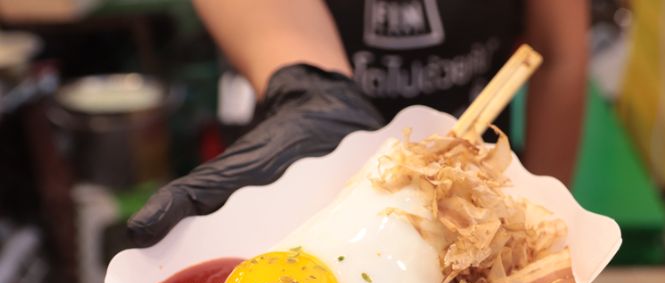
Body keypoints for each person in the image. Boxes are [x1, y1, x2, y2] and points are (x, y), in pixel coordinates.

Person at [128, 0, 588, 247]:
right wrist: (314, 89)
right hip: (307, 166)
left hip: (475, 210)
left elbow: (560, 55)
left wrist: (537, 246)